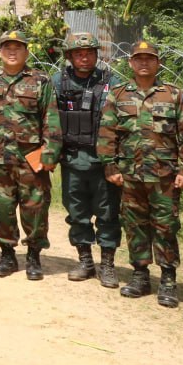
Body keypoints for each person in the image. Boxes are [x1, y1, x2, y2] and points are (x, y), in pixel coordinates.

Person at [97, 40, 183, 307]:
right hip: (130, 175)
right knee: (134, 225)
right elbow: (107, 133)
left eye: (149, 58)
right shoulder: (118, 94)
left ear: (158, 62)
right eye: (139, 58)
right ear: (131, 63)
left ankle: (168, 280)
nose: (144, 62)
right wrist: (110, 166)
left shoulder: (173, 95)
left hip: (165, 176)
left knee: (166, 227)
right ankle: (140, 275)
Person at [0, 29, 62, 281]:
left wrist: (50, 152)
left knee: (35, 207)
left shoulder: (40, 81)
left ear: (26, 51)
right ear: (0, 52)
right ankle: (7, 254)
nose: (12, 51)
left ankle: (34, 255)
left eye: (17, 47)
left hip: (31, 157)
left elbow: (51, 118)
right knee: (0, 206)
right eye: (7, 47)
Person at [53, 32, 121, 288]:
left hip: (104, 162)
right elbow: (49, 118)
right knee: (77, 213)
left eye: (89, 53)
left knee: (107, 214)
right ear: (70, 56)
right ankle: (85, 261)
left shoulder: (112, 82)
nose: (84, 57)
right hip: (72, 160)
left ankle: (107, 265)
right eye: (78, 54)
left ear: (96, 55)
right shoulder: (58, 82)